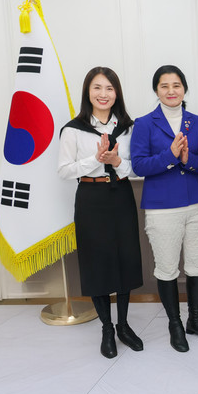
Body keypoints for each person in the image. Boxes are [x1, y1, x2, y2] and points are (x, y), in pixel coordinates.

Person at [130, 65, 198, 352]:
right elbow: (139, 165)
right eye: (164, 86)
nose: (171, 91)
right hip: (162, 208)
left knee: (197, 265)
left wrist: (185, 159)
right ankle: (175, 325)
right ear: (156, 90)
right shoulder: (144, 123)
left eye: (176, 85)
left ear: (184, 89)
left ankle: (195, 320)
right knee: (167, 268)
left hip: (197, 204)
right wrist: (169, 155)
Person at [58, 67, 144, 359]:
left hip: (121, 195)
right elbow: (64, 170)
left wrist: (116, 161)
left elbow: (135, 169)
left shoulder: (128, 128)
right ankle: (107, 328)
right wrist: (95, 160)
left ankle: (123, 326)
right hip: (90, 198)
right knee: (97, 262)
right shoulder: (73, 129)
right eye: (97, 88)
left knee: (125, 259)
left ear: (116, 93)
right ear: (88, 92)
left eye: (109, 88)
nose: (103, 94)